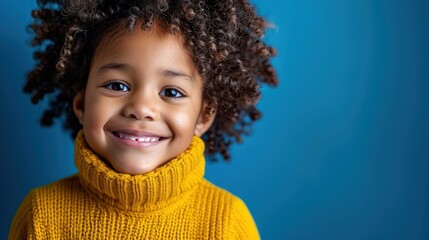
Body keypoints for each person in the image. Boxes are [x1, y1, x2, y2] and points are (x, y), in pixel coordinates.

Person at [9, 0, 278, 239]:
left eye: (171, 92)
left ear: (203, 117)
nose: (141, 108)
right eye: (117, 86)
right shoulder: (40, 214)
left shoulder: (226, 221)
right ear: (81, 105)